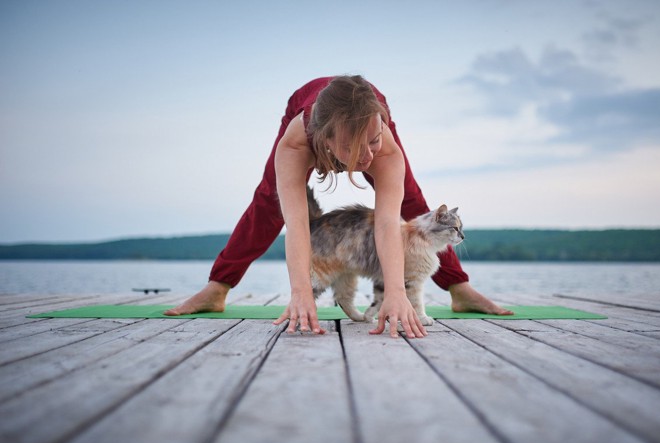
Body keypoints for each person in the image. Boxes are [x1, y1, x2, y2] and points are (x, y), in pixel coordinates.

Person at [165, 75, 513, 337]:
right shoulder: (296, 145)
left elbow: (387, 223)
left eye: (374, 141)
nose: (368, 156)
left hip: (361, 108)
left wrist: (395, 292)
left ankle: (460, 289)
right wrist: (301, 291)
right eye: (355, 148)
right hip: (309, 111)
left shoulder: (384, 148)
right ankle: (218, 287)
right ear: (326, 142)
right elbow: (297, 224)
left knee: (411, 202)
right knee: (269, 203)